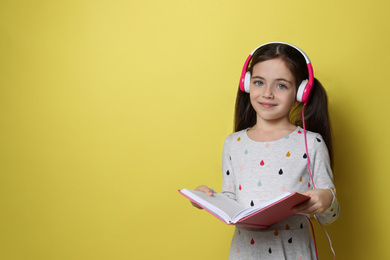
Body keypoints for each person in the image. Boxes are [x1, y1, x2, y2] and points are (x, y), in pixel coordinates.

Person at [193, 42, 340, 259]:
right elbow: (231, 198)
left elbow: (330, 216)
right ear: (246, 84)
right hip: (245, 253)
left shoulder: (312, 143)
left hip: (293, 253)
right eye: (259, 82)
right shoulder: (233, 143)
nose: (267, 93)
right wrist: (210, 199)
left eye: (281, 85)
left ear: (300, 92)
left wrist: (326, 199)